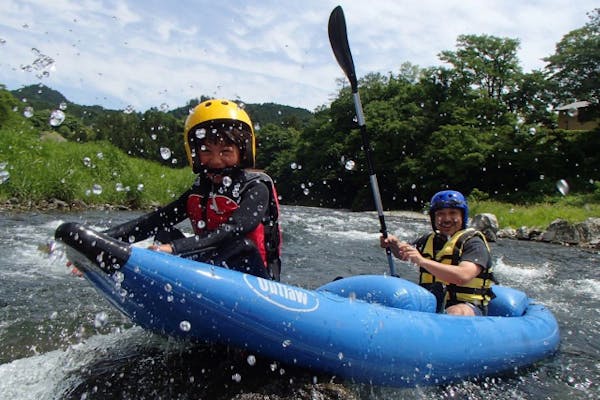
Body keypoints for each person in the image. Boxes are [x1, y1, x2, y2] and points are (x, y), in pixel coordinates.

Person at [101, 99, 282, 281]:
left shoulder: (257, 189)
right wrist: (100, 242)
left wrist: (174, 248)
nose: (216, 161)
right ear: (195, 153)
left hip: (255, 277)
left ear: (242, 152)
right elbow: (153, 221)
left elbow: (232, 230)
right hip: (213, 270)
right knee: (164, 232)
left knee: (241, 244)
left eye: (226, 152)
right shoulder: (200, 191)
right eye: (206, 151)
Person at [380, 190, 496, 316]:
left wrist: (423, 261)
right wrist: (394, 244)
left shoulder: (474, 243)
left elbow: (463, 276)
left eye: (453, 213)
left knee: (457, 311)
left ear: (463, 216)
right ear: (433, 218)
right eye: (440, 214)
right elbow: (405, 254)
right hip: (432, 304)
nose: (446, 219)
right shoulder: (428, 240)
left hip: (469, 307)